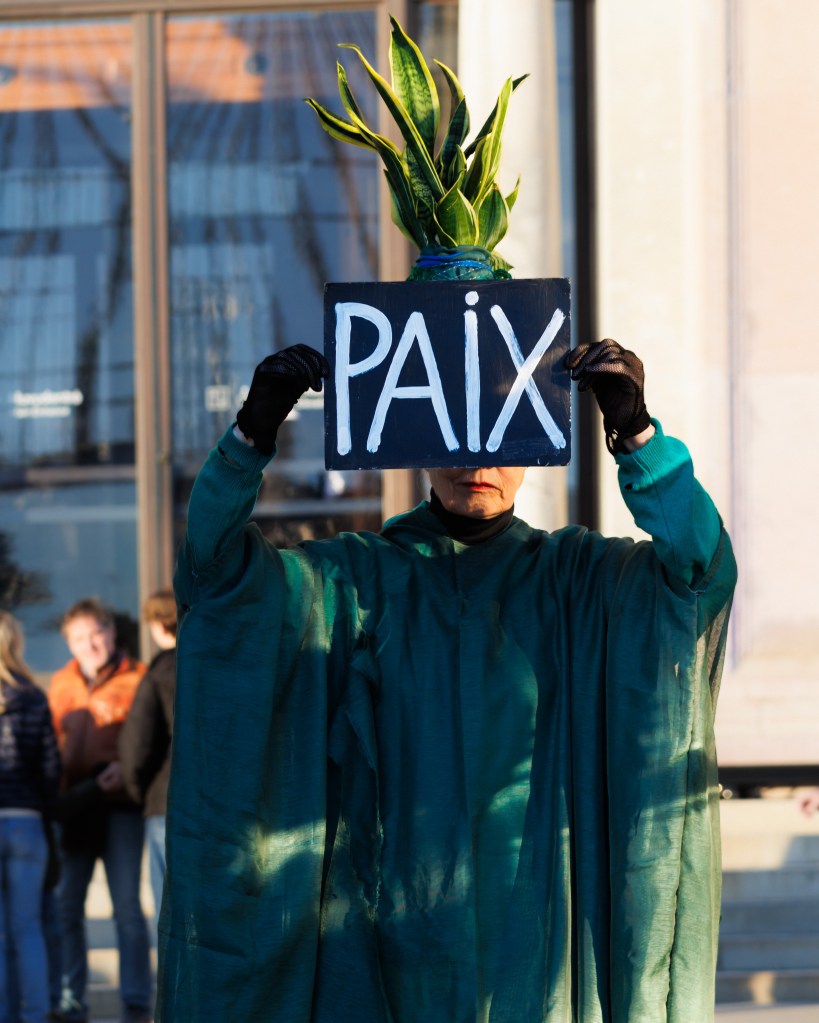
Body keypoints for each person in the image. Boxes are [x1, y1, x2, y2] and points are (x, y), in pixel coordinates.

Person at [156, 340, 737, 1022]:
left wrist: (637, 438)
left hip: (535, 944)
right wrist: (251, 436)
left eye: (498, 436)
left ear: (534, 442)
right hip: (378, 943)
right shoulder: (351, 581)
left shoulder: (577, 581)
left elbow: (695, 573)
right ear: (417, 442)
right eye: (453, 436)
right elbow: (216, 576)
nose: (476, 462)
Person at [48, 598, 152, 1023]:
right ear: (68, 644)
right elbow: (51, 746)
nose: (90, 644)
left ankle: (136, 1000)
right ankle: (73, 995)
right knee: (67, 906)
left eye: (96, 633)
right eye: (79, 637)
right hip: (75, 807)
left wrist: (127, 774)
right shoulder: (60, 684)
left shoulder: (139, 678)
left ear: (112, 633)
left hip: (122, 807)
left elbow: (155, 740)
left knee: (127, 907)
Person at [0, 611, 61, 1023]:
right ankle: (37, 1014)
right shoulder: (34, 696)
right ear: (17, 644)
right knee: (28, 929)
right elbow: (50, 768)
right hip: (27, 822)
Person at [119, 591, 177, 947]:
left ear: (156, 626)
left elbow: (136, 744)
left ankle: (174, 1000)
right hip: (224, 804)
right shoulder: (223, 660)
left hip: (165, 802)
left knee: (168, 913)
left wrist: (137, 791)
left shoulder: (159, 671)